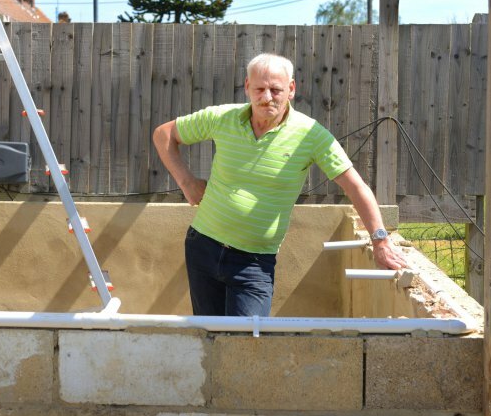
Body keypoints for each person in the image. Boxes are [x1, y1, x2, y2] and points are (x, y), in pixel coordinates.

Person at [152, 53, 408, 317]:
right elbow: (164, 135)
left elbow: (356, 186)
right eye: (259, 89)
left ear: (291, 90)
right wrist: (187, 182)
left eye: (276, 90)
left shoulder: (311, 135)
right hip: (202, 247)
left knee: (248, 343)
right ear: (247, 87)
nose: (266, 98)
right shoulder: (222, 118)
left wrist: (380, 242)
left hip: (253, 263)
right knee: (209, 338)